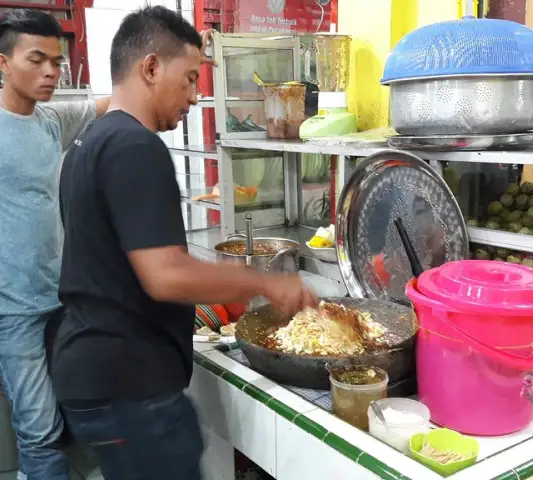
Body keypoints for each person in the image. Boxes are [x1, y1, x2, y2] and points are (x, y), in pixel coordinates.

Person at [47, 6, 318, 480]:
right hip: (128, 384)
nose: (195, 96)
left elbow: (120, 265)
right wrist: (266, 283)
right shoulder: (136, 146)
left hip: (96, 370)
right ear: (150, 67)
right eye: (189, 78)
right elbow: (164, 274)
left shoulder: (91, 142)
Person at [0, 9, 110, 480]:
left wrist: (168, 69)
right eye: (37, 60)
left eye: (57, 62)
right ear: (3, 63)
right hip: (13, 312)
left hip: (61, 301)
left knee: (79, 420)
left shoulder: (49, 122)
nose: (50, 72)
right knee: (39, 431)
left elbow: (110, 104)